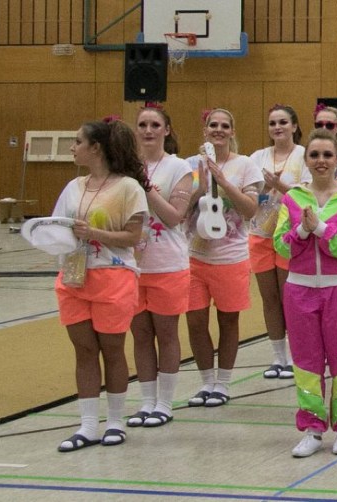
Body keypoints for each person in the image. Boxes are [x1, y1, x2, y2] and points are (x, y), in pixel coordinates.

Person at [53, 117, 150, 452]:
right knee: (83, 350)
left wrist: (93, 233)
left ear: (96, 148)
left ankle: (115, 421)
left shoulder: (128, 188)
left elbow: (134, 237)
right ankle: (87, 425)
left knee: (112, 349)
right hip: (74, 275)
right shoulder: (73, 186)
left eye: (78, 142)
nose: (73, 148)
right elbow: (57, 226)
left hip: (113, 275)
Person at [274, 130, 337, 457]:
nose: (321, 161)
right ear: (306, 160)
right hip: (299, 289)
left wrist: (321, 229)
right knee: (306, 361)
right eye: (314, 155)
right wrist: (302, 230)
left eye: (327, 155)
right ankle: (313, 428)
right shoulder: (293, 198)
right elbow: (281, 246)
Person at [184, 109, 264, 408]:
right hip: (194, 256)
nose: (218, 129)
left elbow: (250, 210)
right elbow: (181, 210)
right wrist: (199, 188)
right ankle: (206, 382)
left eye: (224, 126)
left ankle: (223, 384)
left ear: (232, 131)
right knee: (195, 321)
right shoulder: (190, 165)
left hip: (231, 257)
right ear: (205, 131)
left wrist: (223, 182)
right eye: (213, 125)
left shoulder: (245, 166)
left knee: (228, 321)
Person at [127, 105, 195, 429]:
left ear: (166, 130)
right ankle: (146, 402)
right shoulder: (125, 167)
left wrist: (145, 186)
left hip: (168, 264)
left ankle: (165, 404)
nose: (148, 130)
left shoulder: (179, 167)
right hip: (132, 265)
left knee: (166, 334)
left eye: (155, 125)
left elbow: (173, 217)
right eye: (143, 124)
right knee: (140, 335)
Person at [249, 105, 310, 381]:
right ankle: (277, 357)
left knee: (290, 298)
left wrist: (280, 186)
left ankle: (297, 355)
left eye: (283, 122)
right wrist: (261, 188)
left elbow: (307, 196)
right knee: (270, 298)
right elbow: (248, 191)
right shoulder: (257, 157)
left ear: (294, 126)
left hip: (289, 234)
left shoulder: (304, 155)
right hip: (260, 234)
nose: (277, 127)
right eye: (273, 123)